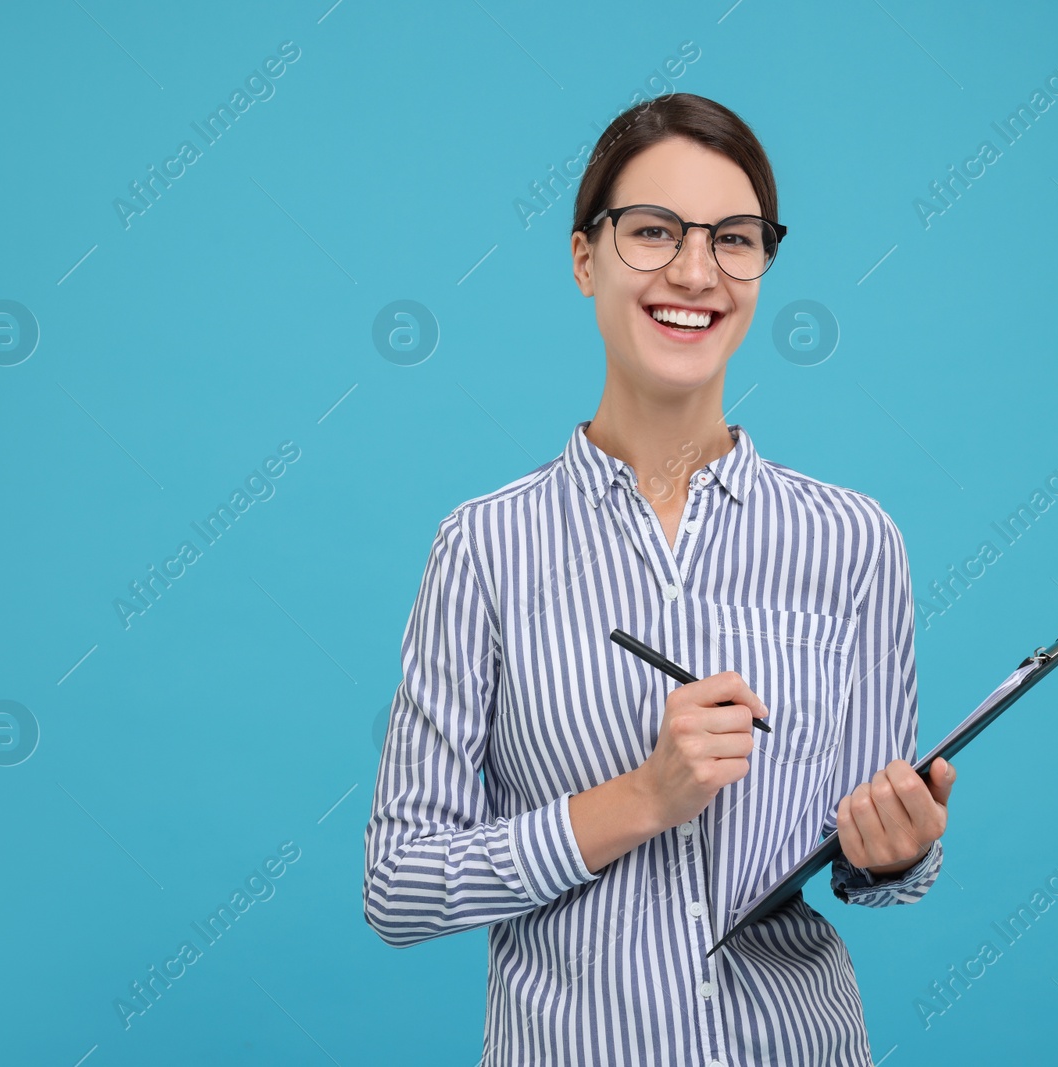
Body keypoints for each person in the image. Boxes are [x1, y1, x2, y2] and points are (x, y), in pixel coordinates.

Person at [363, 92, 959, 1066]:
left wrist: (892, 848)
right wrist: (642, 796)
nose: (694, 271)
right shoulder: (484, 547)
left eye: (734, 238)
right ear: (583, 256)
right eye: (652, 232)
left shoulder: (853, 541)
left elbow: (867, 862)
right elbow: (400, 884)